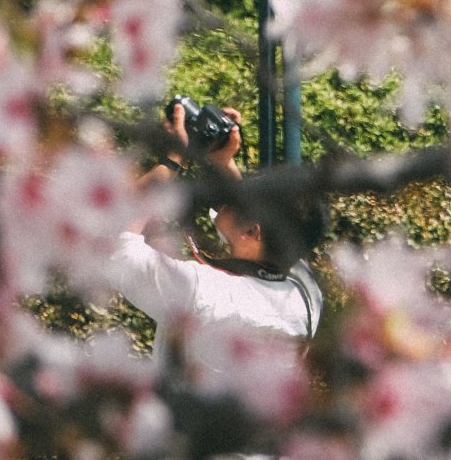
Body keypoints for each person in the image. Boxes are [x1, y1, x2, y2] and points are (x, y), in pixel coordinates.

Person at [107, 102, 327, 384]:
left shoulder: (198, 290)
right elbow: (254, 238)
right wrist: (223, 162)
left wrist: (174, 158)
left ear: (251, 231)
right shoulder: (305, 294)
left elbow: (118, 244)